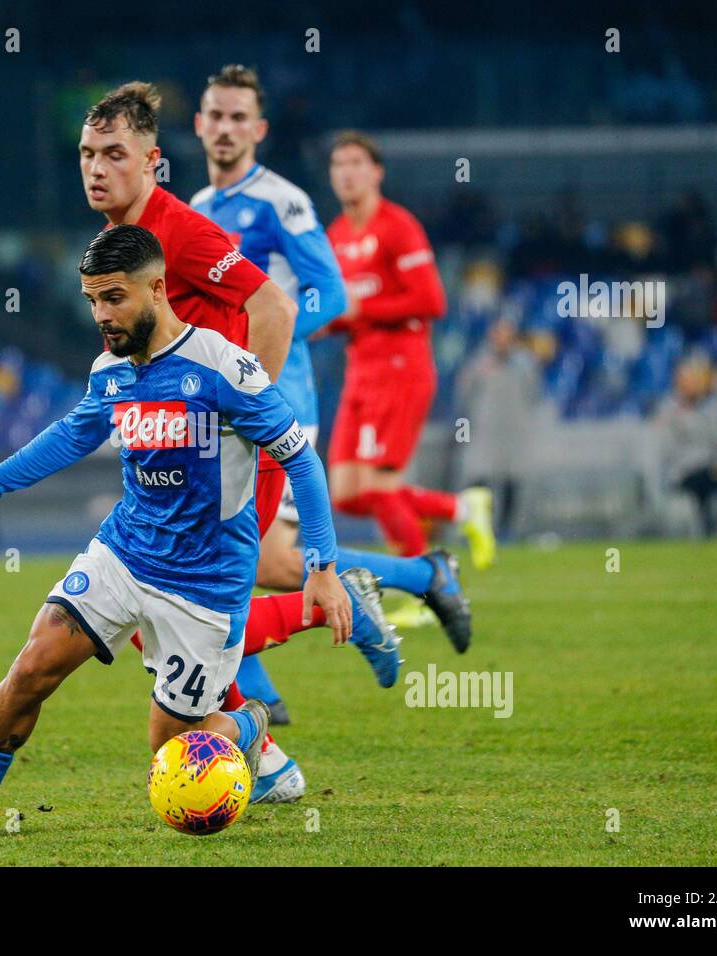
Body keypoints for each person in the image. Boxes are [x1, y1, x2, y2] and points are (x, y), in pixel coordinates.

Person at [0, 225, 378, 839]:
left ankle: (250, 723)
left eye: (114, 298)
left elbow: (301, 461)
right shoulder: (111, 370)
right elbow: (73, 433)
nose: (102, 314)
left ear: (157, 288)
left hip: (204, 586)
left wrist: (322, 566)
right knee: (33, 666)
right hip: (124, 554)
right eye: (93, 299)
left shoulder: (224, 366)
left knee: (170, 750)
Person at [77, 82, 403, 806]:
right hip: (186, 446)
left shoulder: (205, 220)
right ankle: (272, 758)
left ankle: (334, 606)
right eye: (88, 155)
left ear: (150, 161)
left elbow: (284, 303)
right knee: (174, 611)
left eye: (113, 155)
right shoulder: (171, 220)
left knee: (186, 604)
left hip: (231, 442)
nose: (96, 168)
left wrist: (247, 401)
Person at [189, 66, 471, 761]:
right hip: (225, 399)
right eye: (214, 115)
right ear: (199, 124)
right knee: (258, 557)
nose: (225, 128)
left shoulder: (281, 203)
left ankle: (255, 690)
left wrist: (269, 344)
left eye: (238, 118)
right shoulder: (198, 203)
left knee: (230, 553)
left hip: (279, 397)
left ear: (258, 130)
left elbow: (330, 295)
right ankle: (421, 577)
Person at [322, 131, 496, 566]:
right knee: (345, 494)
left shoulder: (398, 226)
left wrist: (363, 308)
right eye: (339, 164)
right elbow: (341, 309)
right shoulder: (337, 234)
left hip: (400, 366)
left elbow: (432, 301)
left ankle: (426, 586)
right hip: (359, 370)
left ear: (377, 172)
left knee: (380, 487)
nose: (347, 173)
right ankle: (460, 509)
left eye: (357, 163)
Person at [454, 316, 542, 538]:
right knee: (479, 480)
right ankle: (477, 527)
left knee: (512, 480)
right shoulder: (479, 363)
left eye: (507, 335)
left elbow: (534, 394)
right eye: (498, 334)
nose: (502, 340)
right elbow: (464, 394)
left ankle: (507, 532)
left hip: (514, 431)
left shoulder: (524, 364)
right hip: (485, 430)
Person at [652, 358, 717, 535]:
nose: (693, 385)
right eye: (688, 381)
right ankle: (706, 530)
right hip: (682, 469)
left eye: (695, 381)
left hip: (709, 466)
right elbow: (666, 448)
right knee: (704, 479)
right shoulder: (668, 410)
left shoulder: (710, 408)